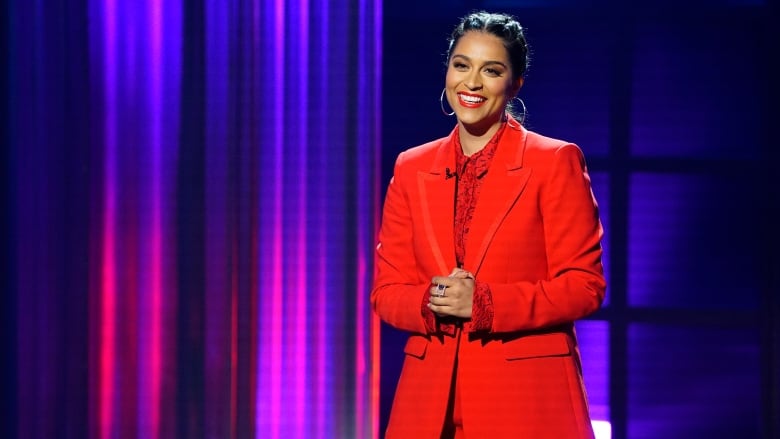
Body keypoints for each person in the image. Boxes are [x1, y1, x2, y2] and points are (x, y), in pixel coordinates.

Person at [371, 10, 606, 439]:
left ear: (514, 83)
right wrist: (431, 300)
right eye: (461, 65)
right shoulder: (411, 166)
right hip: (429, 405)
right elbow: (386, 293)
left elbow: (584, 286)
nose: (472, 83)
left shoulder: (553, 161)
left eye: (491, 70)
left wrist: (485, 304)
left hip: (523, 399)